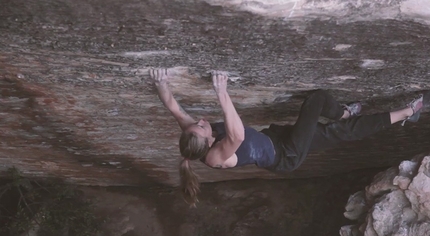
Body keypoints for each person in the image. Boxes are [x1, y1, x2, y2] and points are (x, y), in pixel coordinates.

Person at [150, 68, 429, 206]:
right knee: (318, 102)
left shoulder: (195, 141)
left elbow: (174, 108)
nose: (200, 121)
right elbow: (236, 133)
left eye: (196, 124)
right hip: (288, 154)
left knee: (339, 132)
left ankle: (384, 113)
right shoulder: (214, 155)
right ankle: (393, 112)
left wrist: (161, 82)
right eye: (201, 126)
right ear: (206, 141)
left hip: (278, 138)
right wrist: (222, 92)